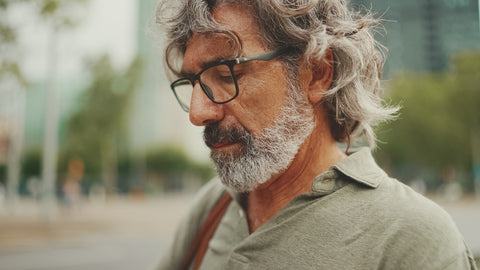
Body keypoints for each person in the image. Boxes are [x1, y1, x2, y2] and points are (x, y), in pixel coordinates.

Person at [155, 0, 478, 269]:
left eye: (226, 74)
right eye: (193, 82)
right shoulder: (216, 204)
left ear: (318, 73)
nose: (197, 113)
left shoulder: (412, 238)